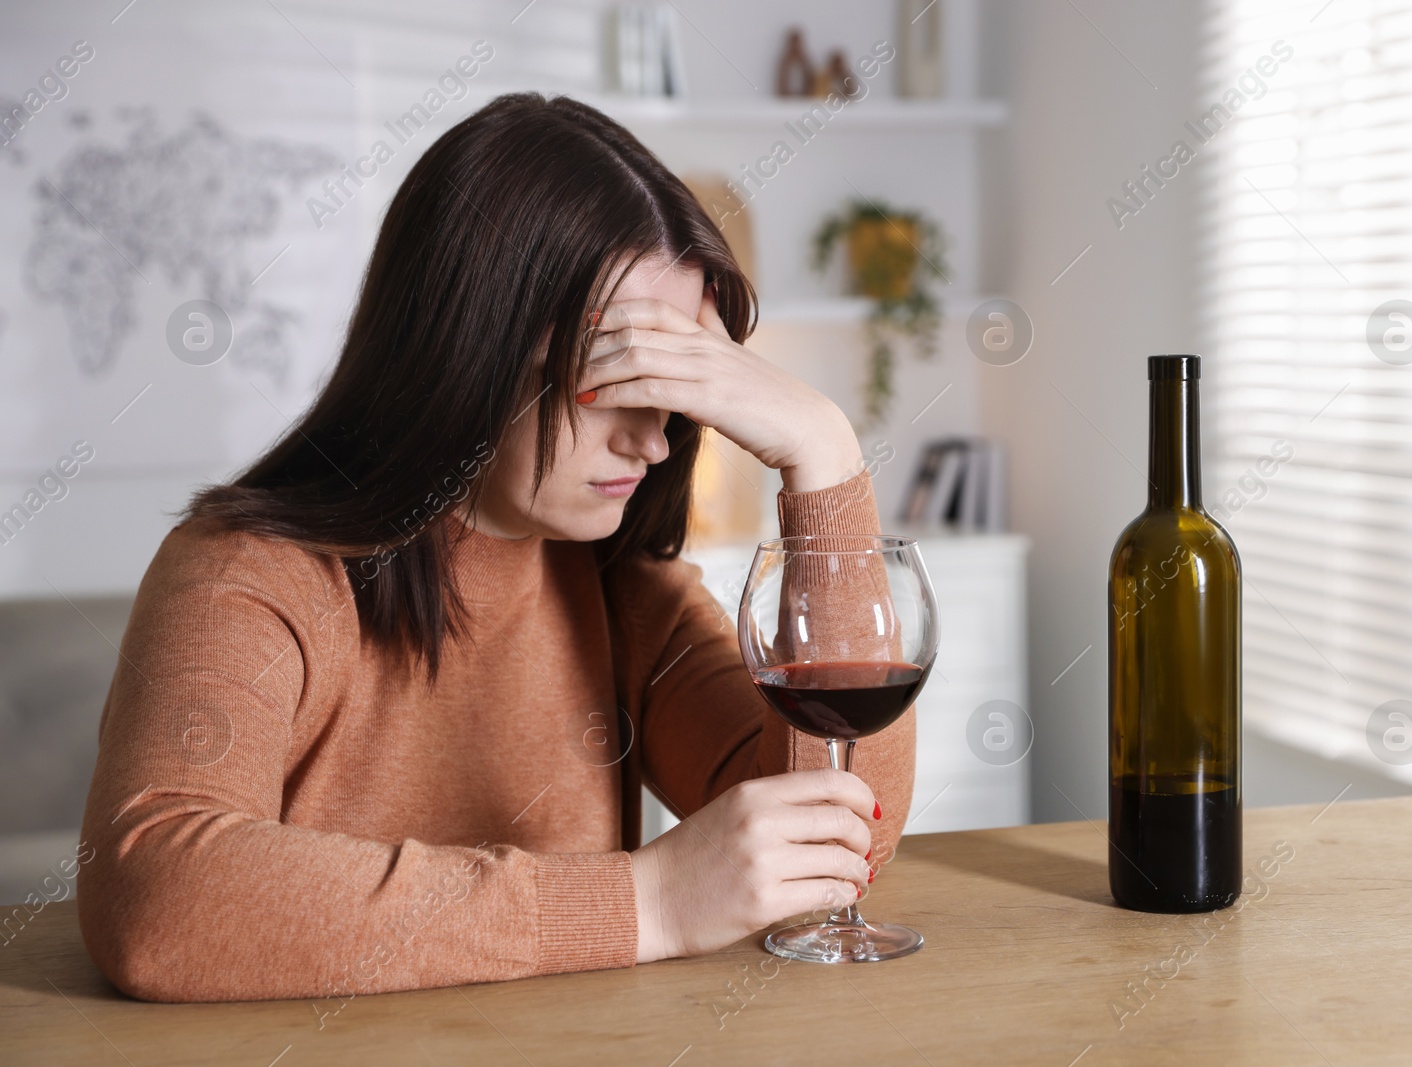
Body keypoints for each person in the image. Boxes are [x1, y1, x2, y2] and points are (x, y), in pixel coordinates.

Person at [75, 92, 915, 1003]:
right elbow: (159, 898)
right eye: (621, 373)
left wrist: (824, 460)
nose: (657, 439)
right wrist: (647, 901)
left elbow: (835, 845)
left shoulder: (626, 591)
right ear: (471, 349)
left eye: (681, 383)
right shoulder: (246, 570)